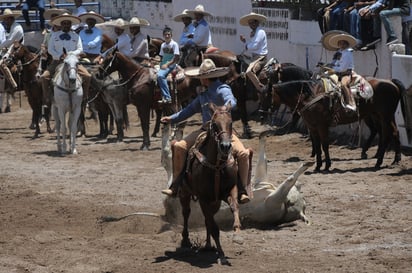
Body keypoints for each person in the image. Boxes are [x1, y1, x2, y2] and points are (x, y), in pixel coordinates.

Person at [160, 58, 251, 204]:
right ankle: (176, 185)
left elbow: (231, 101)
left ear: (205, 79)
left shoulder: (223, 89)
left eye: (201, 78)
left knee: (243, 154)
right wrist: (171, 118)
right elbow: (188, 111)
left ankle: (242, 190)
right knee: (179, 146)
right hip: (205, 130)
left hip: (223, 132)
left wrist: (225, 107)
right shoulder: (203, 95)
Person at [40, 13, 91, 107]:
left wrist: (70, 55)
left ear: (71, 24)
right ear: (61, 24)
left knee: (87, 76)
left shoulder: (76, 36)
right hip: (57, 61)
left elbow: (80, 49)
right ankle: (46, 98)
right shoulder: (54, 36)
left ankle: (85, 98)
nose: (66, 25)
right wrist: (59, 56)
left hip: (73, 62)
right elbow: (51, 50)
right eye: (64, 23)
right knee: (44, 77)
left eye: (68, 23)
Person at [0, 9, 24, 113]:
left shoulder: (16, 28)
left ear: (10, 19)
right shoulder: (14, 26)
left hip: (18, 50)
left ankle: (13, 83)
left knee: (2, 64)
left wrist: (1, 47)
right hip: (13, 49)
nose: (5, 21)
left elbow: (10, 41)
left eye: (6, 19)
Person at [327, 33, 357, 111]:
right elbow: (334, 63)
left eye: (343, 43)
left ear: (346, 44)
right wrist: (327, 66)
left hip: (346, 73)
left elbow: (343, 68)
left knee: (344, 84)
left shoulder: (347, 53)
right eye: (340, 43)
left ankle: (351, 103)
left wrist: (333, 70)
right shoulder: (338, 53)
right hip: (337, 73)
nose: (341, 44)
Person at [239, 12, 268, 92]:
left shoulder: (260, 32)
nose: (251, 25)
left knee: (249, 71)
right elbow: (251, 45)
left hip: (260, 58)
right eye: (250, 23)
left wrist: (246, 46)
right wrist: (245, 42)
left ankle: (261, 89)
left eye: (253, 22)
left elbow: (254, 46)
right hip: (255, 57)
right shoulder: (255, 33)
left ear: (257, 22)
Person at [157, 27, 180, 104]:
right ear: (163, 35)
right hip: (163, 64)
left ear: (171, 35)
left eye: (169, 34)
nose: (167, 36)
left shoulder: (174, 44)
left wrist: (167, 64)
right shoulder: (163, 45)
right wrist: (158, 62)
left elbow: (176, 57)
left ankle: (167, 97)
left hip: (171, 65)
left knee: (160, 76)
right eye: (165, 34)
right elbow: (161, 56)